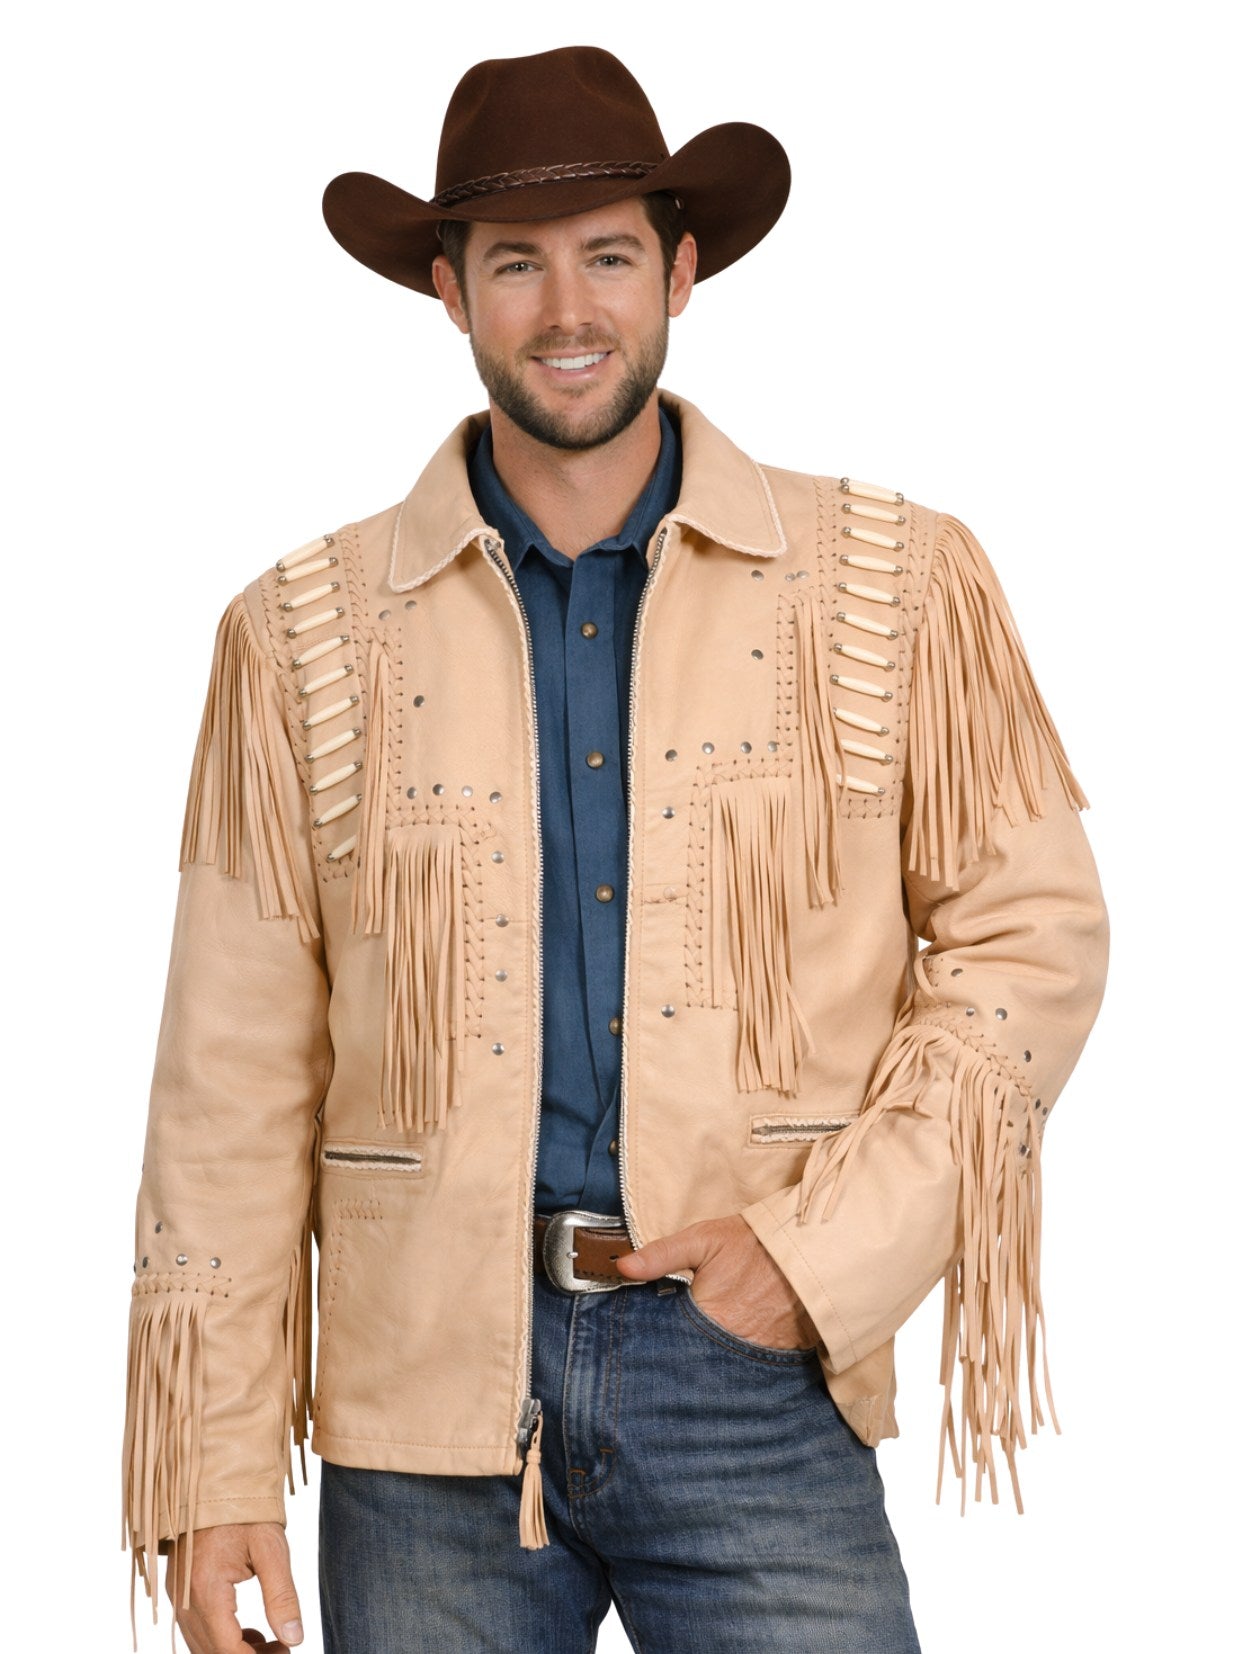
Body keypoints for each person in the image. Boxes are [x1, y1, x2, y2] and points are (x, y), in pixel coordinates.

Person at [121, 44, 1109, 1654]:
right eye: (515, 262)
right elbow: (228, 1073)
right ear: (448, 291)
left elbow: (1035, 938)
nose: (565, 308)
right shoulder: (296, 639)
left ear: (682, 272)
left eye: (608, 255)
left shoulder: (896, 584)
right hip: (421, 1404)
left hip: (753, 1366)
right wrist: (217, 1463)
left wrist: (817, 1255)